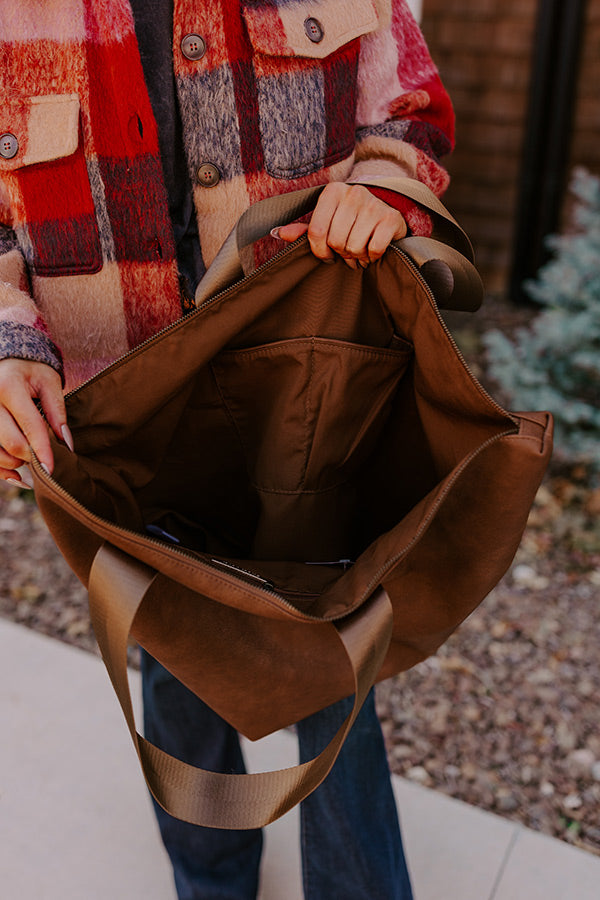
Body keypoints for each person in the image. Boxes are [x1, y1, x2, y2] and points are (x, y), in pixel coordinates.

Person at [0, 1, 454, 897]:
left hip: (311, 385)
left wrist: (387, 187)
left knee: (332, 635)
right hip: (123, 416)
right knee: (174, 652)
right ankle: (210, 881)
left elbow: (409, 113)